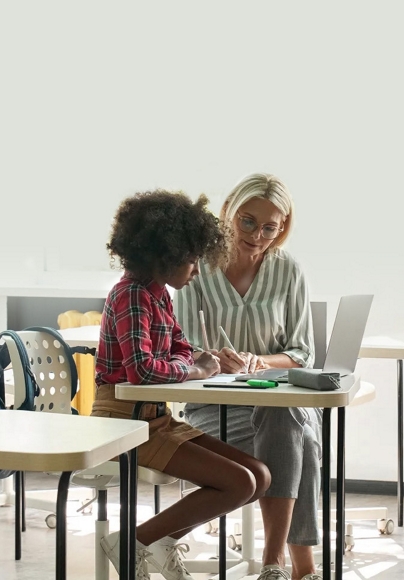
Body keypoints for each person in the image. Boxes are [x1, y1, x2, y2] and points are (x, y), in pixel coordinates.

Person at [91, 189, 272, 580]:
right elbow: (142, 370)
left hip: (153, 417)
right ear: (166, 256)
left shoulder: (158, 294)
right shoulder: (132, 295)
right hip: (122, 423)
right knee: (239, 482)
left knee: (259, 476)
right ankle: (134, 542)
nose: (196, 271)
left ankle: (157, 541)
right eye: (191, 260)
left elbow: (181, 349)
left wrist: (195, 364)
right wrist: (194, 370)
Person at [174, 173, 320, 580]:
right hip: (215, 406)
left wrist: (260, 361)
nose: (257, 236)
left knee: (285, 416)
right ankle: (301, 569)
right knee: (303, 442)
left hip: (278, 399)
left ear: (282, 227)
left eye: (270, 227)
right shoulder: (196, 268)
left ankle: (273, 564)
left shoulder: (288, 270)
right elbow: (182, 348)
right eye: (248, 221)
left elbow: (301, 352)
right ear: (228, 213)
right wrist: (215, 361)